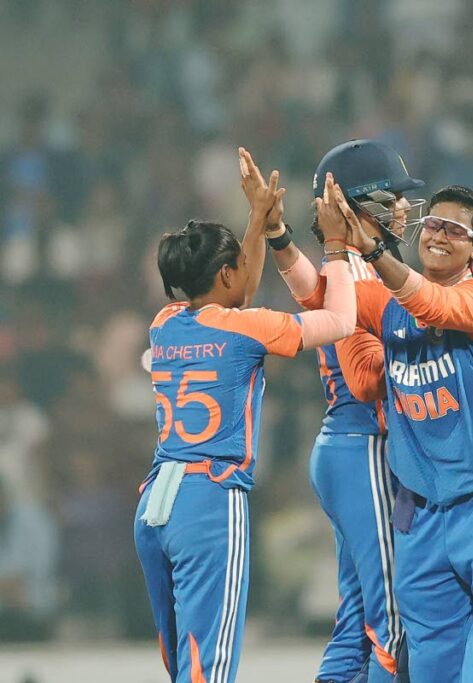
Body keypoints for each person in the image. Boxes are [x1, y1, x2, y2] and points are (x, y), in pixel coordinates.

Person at [134, 150, 358, 683]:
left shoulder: (164, 323)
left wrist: (257, 220)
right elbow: (342, 321)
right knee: (210, 662)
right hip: (209, 501)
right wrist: (336, 245)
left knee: (184, 662)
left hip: (155, 504)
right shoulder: (248, 328)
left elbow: (236, 292)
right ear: (228, 272)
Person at [333, 185, 473, 682]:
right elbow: (323, 296)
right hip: (425, 509)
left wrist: (372, 250)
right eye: (432, 224)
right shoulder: (387, 302)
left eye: (456, 230)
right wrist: (292, 238)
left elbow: (434, 306)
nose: (438, 234)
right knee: (433, 666)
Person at [263, 139, 436, 683]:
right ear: (352, 205)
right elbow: (365, 381)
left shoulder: (350, 267)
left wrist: (280, 239)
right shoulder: (358, 269)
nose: (404, 210)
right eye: (389, 199)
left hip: (346, 450)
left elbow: (309, 291)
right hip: (364, 445)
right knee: (392, 620)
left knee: (357, 620)